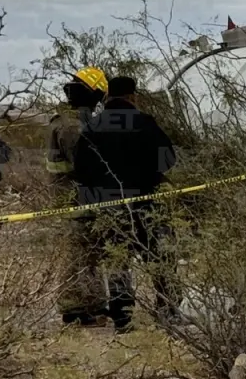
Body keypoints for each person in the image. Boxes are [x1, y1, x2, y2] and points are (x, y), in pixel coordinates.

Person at [73, 74, 181, 332]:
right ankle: (167, 310)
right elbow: (168, 159)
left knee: (117, 261)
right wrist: (148, 175)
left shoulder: (92, 127)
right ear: (133, 96)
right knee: (160, 257)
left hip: (109, 206)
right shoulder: (144, 123)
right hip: (147, 203)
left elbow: (80, 171)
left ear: (108, 96)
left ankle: (122, 317)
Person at [47, 66, 109, 327]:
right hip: (75, 199)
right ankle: (73, 308)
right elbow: (86, 165)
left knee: (92, 253)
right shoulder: (72, 126)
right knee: (77, 255)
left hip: (81, 198)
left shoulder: (72, 121)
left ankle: (93, 303)